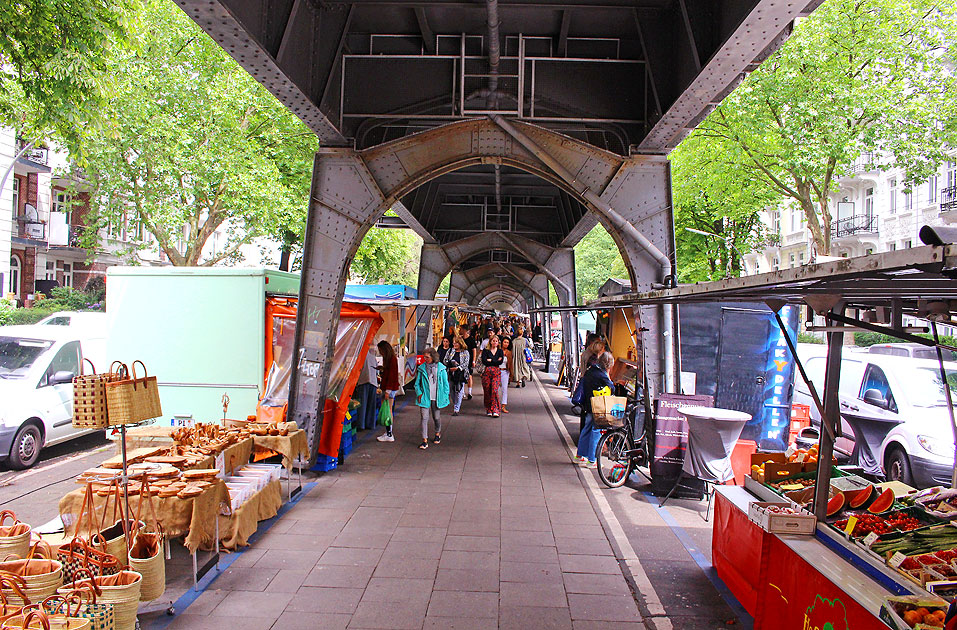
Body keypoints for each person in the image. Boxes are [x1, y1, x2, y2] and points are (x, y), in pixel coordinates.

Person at [576, 351, 615, 468]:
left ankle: (580, 455)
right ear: (608, 365)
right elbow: (611, 388)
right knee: (596, 431)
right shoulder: (602, 375)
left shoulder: (590, 370)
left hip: (588, 405)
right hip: (598, 407)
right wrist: (608, 375)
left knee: (586, 429)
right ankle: (592, 460)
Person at [414, 347, 450, 449]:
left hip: (437, 397)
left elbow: (445, 384)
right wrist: (419, 393)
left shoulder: (441, 368)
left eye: (427, 357)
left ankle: (437, 433)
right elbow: (417, 384)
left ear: (433, 357)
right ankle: (424, 440)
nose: (425, 359)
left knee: (436, 417)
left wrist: (445, 395)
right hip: (425, 397)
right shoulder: (421, 368)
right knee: (424, 418)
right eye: (424, 357)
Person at [376, 340, 401, 443]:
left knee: (388, 410)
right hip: (389, 388)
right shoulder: (391, 359)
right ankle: (388, 432)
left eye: (380, 350)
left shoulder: (392, 360)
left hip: (389, 388)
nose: (380, 353)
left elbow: (391, 376)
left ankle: (389, 433)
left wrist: (387, 391)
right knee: (389, 409)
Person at [445, 336, 471, 415]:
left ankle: (456, 408)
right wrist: (450, 364)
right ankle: (455, 403)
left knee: (459, 390)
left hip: (460, 374)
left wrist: (458, 368)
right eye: (454, 342)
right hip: (451, 373)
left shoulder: (465, 352)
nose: (454, 344)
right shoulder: (450, 351)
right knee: (452, 390)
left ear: (460, 343)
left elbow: (466, 363)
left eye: (456, 343)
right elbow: (445, 360)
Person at [481, 335, 505, 417]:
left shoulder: (500, 351)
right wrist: (495, 361)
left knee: (494, 390)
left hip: (496, 373)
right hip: (487, 373)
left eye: (496, 341)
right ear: (490, 342)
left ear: (498, 343)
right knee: (487, 390)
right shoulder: (485, 351)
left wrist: (491, 360)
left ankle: (495, 409)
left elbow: (500, 362)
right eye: (493, 341)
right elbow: (484, 361)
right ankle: (488, 408)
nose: (495, 342)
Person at [462, 327, 476, 400]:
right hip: (461, 360)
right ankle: (462, 392)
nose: (461, 331)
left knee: (469, 375)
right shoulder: (461, 339)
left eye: (462, 329)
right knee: (462, 375)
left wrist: (473, 360)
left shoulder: (471, 339)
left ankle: (469, 392)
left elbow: (474, 350)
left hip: (469, 360)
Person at [500, 336, 513, 414]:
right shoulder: (498, 351)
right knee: (495, 389)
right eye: (505, 342)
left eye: (507, 343)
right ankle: (496, 405)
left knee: (504, 389)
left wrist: (511, 374)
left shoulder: (509, 352)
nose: (506, 344)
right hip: (497, 371)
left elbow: (510, 364)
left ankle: (503, 406)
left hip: (505, 372)